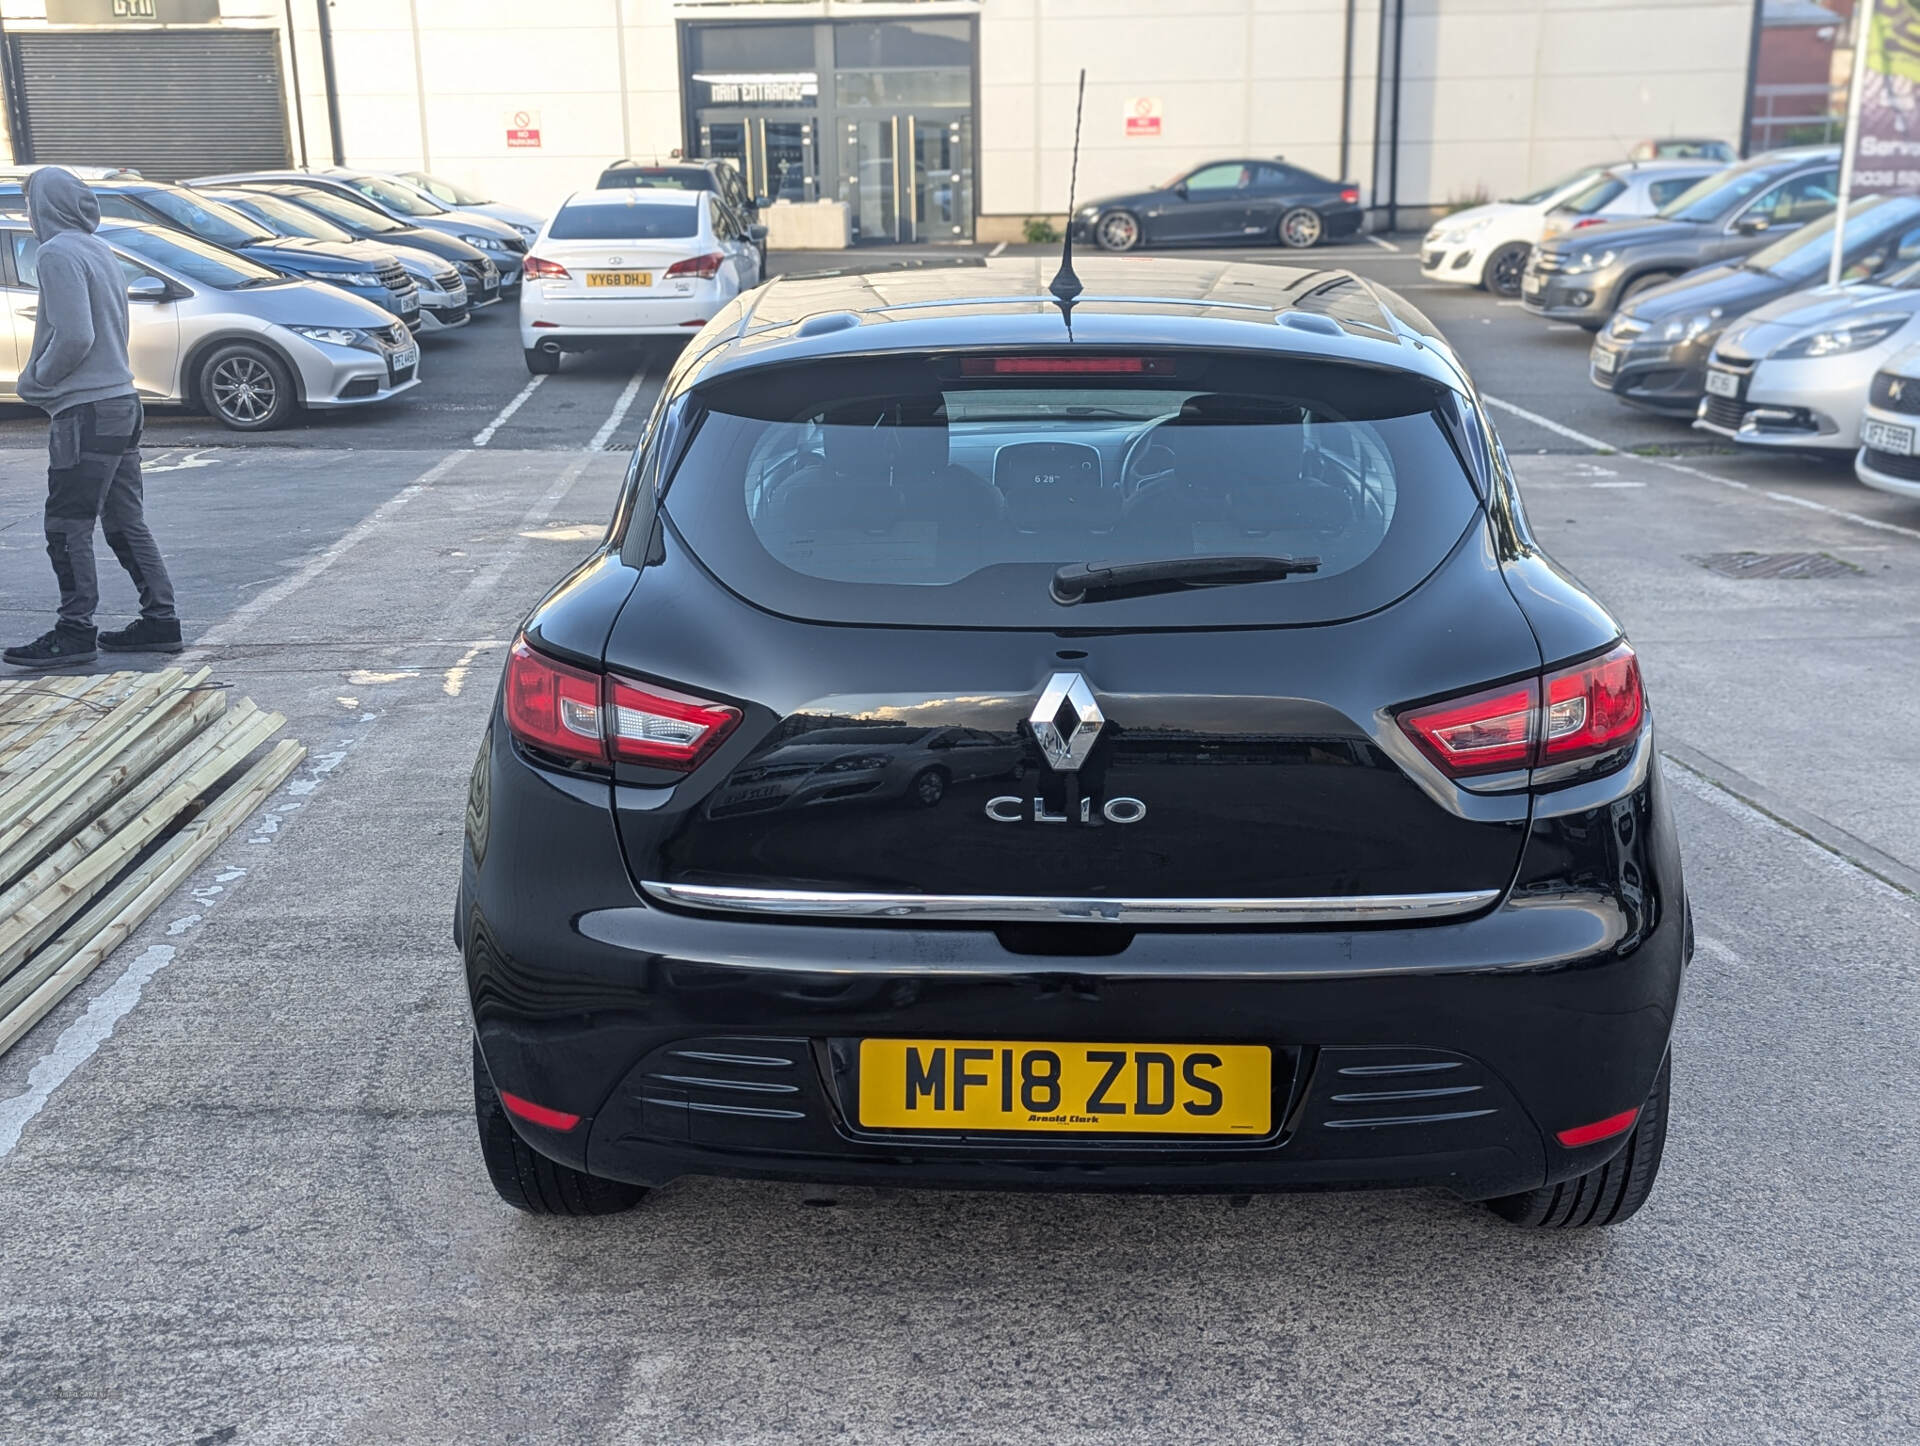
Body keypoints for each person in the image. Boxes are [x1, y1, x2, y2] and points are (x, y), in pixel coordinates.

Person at [3, 166, 179, 670]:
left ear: (46, 205)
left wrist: (37, 380)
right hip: (122, 401)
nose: (27, 213)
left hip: (85, 408)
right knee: (125, 520)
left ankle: (75, 630)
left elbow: (76, 335)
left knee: (66, 524)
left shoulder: (57, 252)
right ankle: (160, 620)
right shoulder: (96, 247)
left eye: (29, 201)